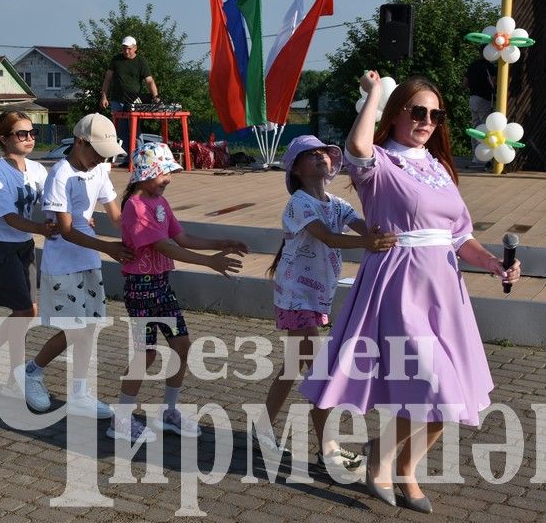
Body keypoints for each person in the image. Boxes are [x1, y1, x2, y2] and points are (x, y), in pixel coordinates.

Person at [300, 71, 521, 513]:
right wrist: (375, 94)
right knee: (430, 380)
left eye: (435, 115)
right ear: (397, 112)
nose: (426, 120)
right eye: (417, 111)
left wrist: (494, 262)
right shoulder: (380, 164)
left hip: (445, 290)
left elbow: (459, 235)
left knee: (448, 393)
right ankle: (381, 461)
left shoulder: (438, 167)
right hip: (399, 285)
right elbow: (357, 147)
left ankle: (403, 469)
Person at [258, 135, 396, 473]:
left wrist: (388, 231)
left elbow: (364, 225)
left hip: (316, 297)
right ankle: (327, 448)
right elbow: (329, 237)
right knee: (319, 372)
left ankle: (262, 429)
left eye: (323, 152)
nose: (320, 157)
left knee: (293, 368)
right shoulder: (300, 203)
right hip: (295, 295)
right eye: (311, 154)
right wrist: (369, 242)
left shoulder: (335, 203)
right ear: (298, 170)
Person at [109, 142, 247, 442]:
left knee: (181, 345)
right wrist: (209, 262)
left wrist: (221, 242)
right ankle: (120, 419)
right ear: (145, 174)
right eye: (163, 173)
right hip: (141, 287)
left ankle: (169, 411)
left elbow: (181, 237)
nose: (168, 178)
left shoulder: (160, 204)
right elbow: (164, 245)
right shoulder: (135, 206)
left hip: (161, 284)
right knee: (145, 354)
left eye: (169, 172)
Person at [23, 113, 132, 418]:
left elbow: (116, 216)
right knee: (73, 329)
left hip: (88, 260)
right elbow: (67, 230)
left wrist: (143, 235)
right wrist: (108, 247)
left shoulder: (99, 171)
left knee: (89, 329)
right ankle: (32, 372)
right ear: (81, 142)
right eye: (98, 152)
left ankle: (80, 392)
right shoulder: (59, 174)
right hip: (63, 263)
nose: (101, 159)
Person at [0, 111, 57, 393]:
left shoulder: (36, 170)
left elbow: (54, 199)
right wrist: (42, 229)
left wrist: (74, 218)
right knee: (26, 310)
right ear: (4, 138)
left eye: (32, 133)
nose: (29, 139)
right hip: (0, 248)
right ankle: (14, 372)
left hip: (24, 246)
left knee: (26, 311)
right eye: (21, 134)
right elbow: (7, 217)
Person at [99, 36, 161, 115]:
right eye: (124, 48)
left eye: (129, 49)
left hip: (134, 101)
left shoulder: (141, 62)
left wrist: (155, 97)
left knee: (133, 126)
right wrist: (104, 97)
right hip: (117, 100)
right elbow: (108, 79)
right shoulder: (116, 60)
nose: (126, 51)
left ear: (135, 48)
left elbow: (149, 81)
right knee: (119, 126)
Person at [463, 58, 496, 167]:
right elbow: (494, 82)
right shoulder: (489, 67)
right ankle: (484, 158)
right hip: (484, 99)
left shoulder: (473, 65)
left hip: (472, 98)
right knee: (485, 128)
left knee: (475, 128)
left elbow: (465, 83)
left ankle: (476, 158)